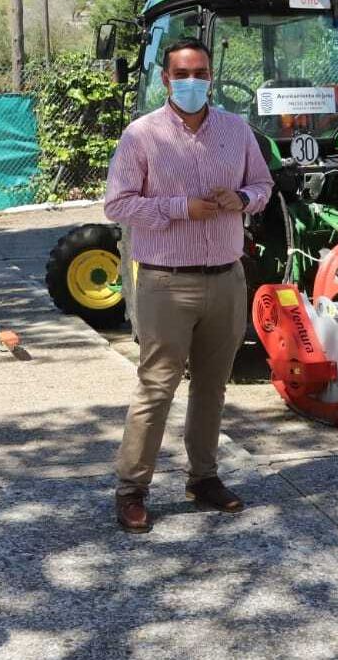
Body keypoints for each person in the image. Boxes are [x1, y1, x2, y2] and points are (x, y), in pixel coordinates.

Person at [104, 37, 274, 533]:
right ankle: (131, 489)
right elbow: (118, 205)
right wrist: (182, 208)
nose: (193, 82)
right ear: (166, 79)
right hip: (165, 282)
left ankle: (203, 478)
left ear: (211, 76)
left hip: (226, 278)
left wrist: (239, 198)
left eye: (200, 72)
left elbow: (262, 188)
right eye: (183, 74)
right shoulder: (141, 136)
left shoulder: (237, 130)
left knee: (212, 388)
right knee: (157, 386)